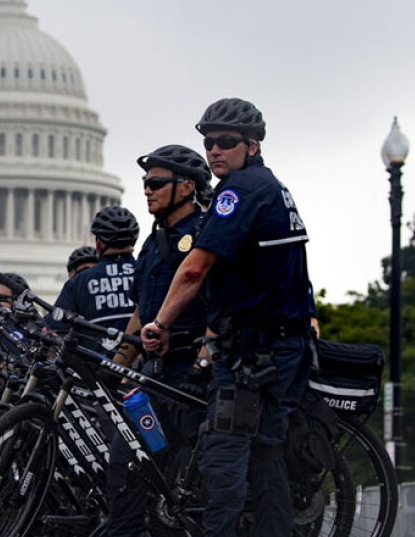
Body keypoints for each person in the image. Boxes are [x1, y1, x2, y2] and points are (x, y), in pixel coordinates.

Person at [140, 98, 315, 537]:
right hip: (283, 345)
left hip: (252, 354)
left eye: (225, 142)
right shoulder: (274, 188)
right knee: (266, 455)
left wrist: (158, 324)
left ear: (251, 145)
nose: (214, 150)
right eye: (209, 142)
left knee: (222, 459)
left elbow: (196, 268)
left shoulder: (238, 192)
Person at [104, 145, 213, 537]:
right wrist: (120, 360)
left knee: (183, 482)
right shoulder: (153, 243)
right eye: (145, 183)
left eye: (155, 183)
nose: (147, 190)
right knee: (126, 463)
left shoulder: (205, 233)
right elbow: (141, 310)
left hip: (191, 374)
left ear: (186, 187)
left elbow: (221, 301)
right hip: (154, 376)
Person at [50, 205, 139, 354]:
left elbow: (53, 328)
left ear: (98, 244)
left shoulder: (79, 282)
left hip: (93, 372)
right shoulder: (148, 273)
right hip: (144, 371)